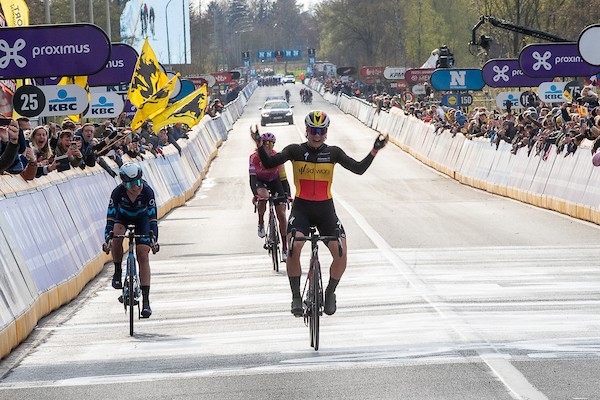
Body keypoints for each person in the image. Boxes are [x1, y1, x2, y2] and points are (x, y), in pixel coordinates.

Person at [251, 111, 388, 316]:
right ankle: (296, 297)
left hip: (325, 210)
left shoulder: (333, 153)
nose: (317, 135)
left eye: (321, 131)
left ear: (326, 133)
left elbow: (358, 169)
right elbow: (270, 163)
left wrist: (374, 150)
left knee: (341, 253)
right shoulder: (295, 150)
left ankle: (330, 292)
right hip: (302, 208)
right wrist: (259, 145)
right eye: (313, 131)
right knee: (294, 246)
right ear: (307, 131)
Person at [103, 162, 159, 318]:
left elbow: (153, 218)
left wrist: (153, 238)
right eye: (132, 184)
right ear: (124, 184)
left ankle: (146, 301)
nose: (137, 187)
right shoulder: (117, 193)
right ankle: (117, 271)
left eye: (139, 182)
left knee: (143, 254)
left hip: (143, 219)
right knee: (116, 236)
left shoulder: (147, 192)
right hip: (122, 218)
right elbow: (110, 217)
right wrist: (108, 237)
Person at [249, 132, 291, 260]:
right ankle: (261, 221)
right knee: (264, 196)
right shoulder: (254, 157)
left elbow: (283, 179)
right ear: (261, 144)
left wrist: (288, 195)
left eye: (271, 144)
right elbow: (252, 179)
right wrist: (256, 195)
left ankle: (285, 247)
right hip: (260, 181)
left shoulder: (277, 157)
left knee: (282, 215)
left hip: (275, 182)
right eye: (265, 143)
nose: (268, 146)